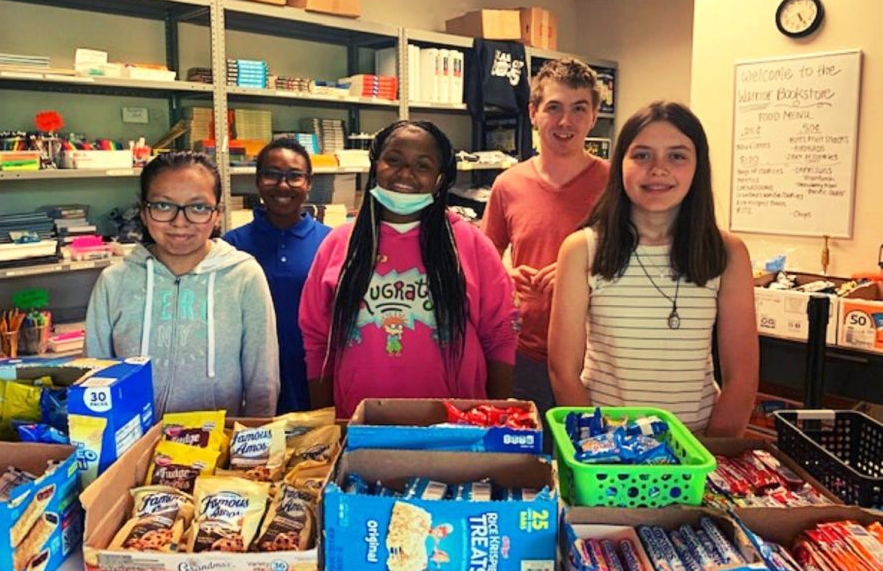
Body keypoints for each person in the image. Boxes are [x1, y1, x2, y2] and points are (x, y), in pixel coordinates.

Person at [548, 101, 758, 436]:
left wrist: (708, 454)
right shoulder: (582, 249)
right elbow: (562, 370)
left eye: (677, 156)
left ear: (697, 166)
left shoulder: (727, 253)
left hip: (695, 448)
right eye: (642, 155)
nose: (658, 169)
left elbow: (742, 377)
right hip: (605, 450)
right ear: (620, 165)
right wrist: (601, 446)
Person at [299, 120, 518, 419]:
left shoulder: (470, 243)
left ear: (440, 179)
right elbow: (317, 340)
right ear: (376, 165)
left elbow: (500, 335)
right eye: (394, 160)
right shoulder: (339, 244)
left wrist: (496, 418)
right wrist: (329, 422)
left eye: (422, 165)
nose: (405, 173)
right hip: (362, 424)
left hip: (456, 430)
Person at [85, 151, 279, 417]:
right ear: (143, 212)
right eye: (164, 206)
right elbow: (94, 375)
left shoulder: (243, 276)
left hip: (216, 447)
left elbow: (262, 380)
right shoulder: (114, 281)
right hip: (132, 447)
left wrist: (254, 442)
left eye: (198, 207)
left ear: (217, 214)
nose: (180, 222)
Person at [481, 57, 609, 426]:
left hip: (598, 359)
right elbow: (484, 264)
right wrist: (506, 280)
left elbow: (639, 263)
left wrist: (581, 274)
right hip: (526, 354)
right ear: (534, 113)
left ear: (594, 115)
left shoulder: (617, 185)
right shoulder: (508, 185)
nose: (565, 121)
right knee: (529, 461)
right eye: (553, 107)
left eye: (578, 108)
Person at [224, 137, 331, 414]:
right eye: (272, 175)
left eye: (295, 176)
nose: (283, 185)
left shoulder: (331, 243)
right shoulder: (230, 246)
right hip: (251, 374)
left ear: (308, 183)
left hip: (313, 375)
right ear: (258, 181)